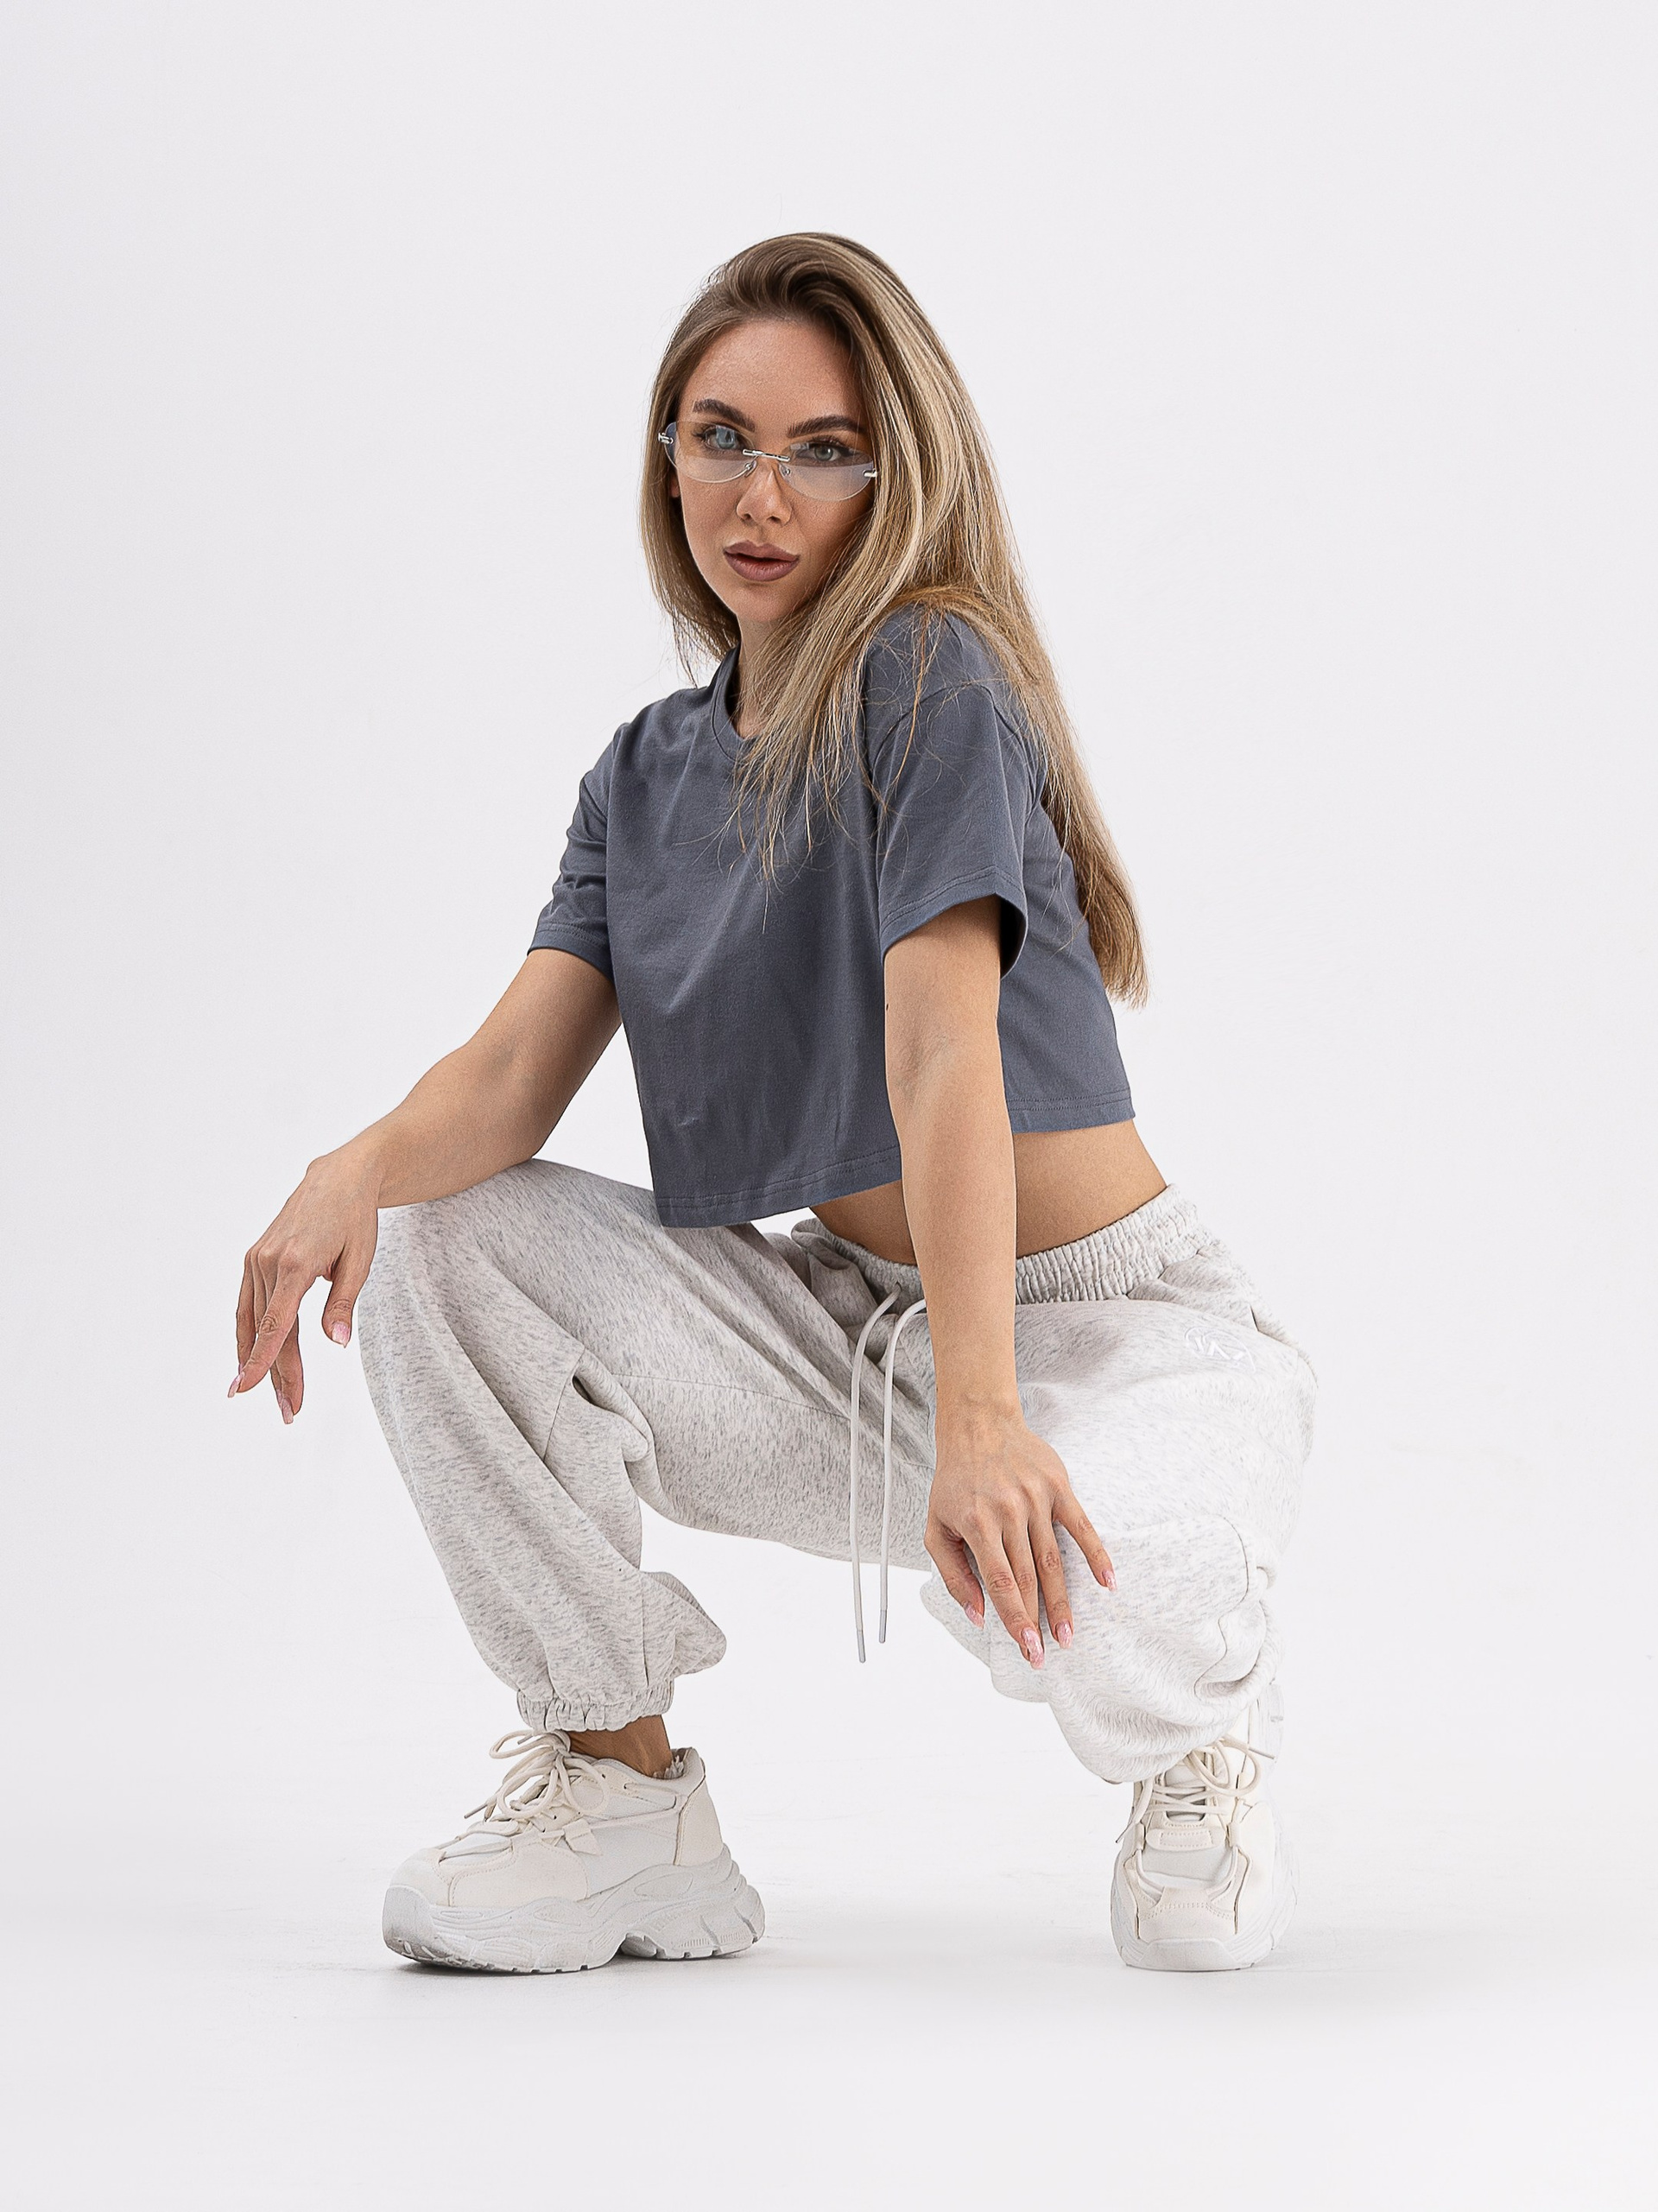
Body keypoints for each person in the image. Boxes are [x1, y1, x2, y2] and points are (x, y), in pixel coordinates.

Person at [229, 232, 1318, 1976]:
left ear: (896, 480)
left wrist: (987, 1416)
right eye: (722, 437)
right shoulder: (641, 776)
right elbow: (510, 1079)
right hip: (856, 1338)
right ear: (667, 457)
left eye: (825, 451)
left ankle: (1202, 1742)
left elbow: (944, 1053)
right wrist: (347, 1170)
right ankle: (620, 1792)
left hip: (1110, 1336)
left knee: (1115, 1579)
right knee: (446, 1237)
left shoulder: (930, 671)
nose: (762, 493)